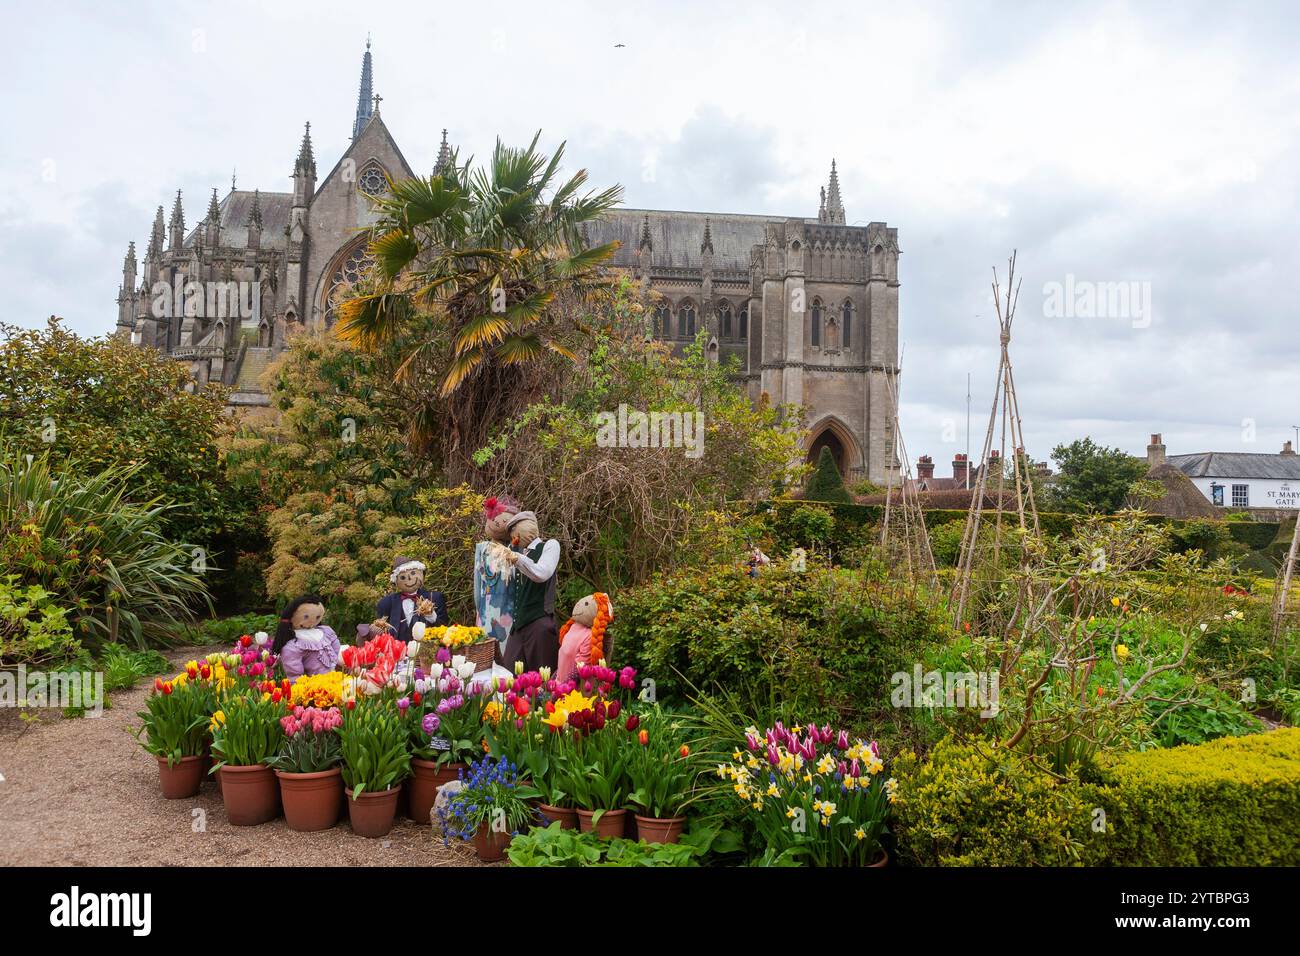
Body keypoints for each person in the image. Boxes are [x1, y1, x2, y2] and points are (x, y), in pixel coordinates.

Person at [500, 511, 560, 673]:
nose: (513, 539)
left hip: (540, 623)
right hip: (518, 626)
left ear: (524, 530)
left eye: (514, 533)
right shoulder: (518, 553)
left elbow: (542, 573)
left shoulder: (549, 546)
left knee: (544, 680)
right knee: (509, 677)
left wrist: (517, 558)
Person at [473, 495, 519, 653]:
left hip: (509, 609)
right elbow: (477, 583)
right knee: (484, 653)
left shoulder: (515, 550)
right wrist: (478, 609)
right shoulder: (482, 549)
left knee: (507, 653)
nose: (498, 523)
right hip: (486, 610)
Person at [374, 556, 447, 644]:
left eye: (413, 573)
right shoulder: (386, 603)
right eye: (403, 577)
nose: (409, 579)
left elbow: (445, 630)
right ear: (396, 581)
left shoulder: (434, 598)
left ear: (421, 574)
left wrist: (431, 616)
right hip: (397, 654)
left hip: (426, 653)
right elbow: (380, 634)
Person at [274, 594, 341, 680]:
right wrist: (298, 685)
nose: (312, 621)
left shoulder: (325, 631)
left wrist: (334, 660)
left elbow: (335, 644)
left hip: (333, 676)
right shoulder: (294, 645)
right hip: (314, 683)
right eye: (306, 617)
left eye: (317, 617)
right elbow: (294, 671)